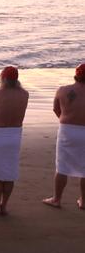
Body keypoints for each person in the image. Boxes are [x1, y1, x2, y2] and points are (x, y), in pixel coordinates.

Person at [0, 66, 29, 215]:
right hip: (15, 134)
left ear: (2, 78)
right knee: (9, 172)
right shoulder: (24, 94)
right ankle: (4, 205)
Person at [42, 63, 85, 209]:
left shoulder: (63, 90)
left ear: (76, 75)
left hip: (68, 129)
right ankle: (84, 201)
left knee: (62, 166)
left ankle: (57, 199)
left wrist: (66, 118)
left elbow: (56, 109)